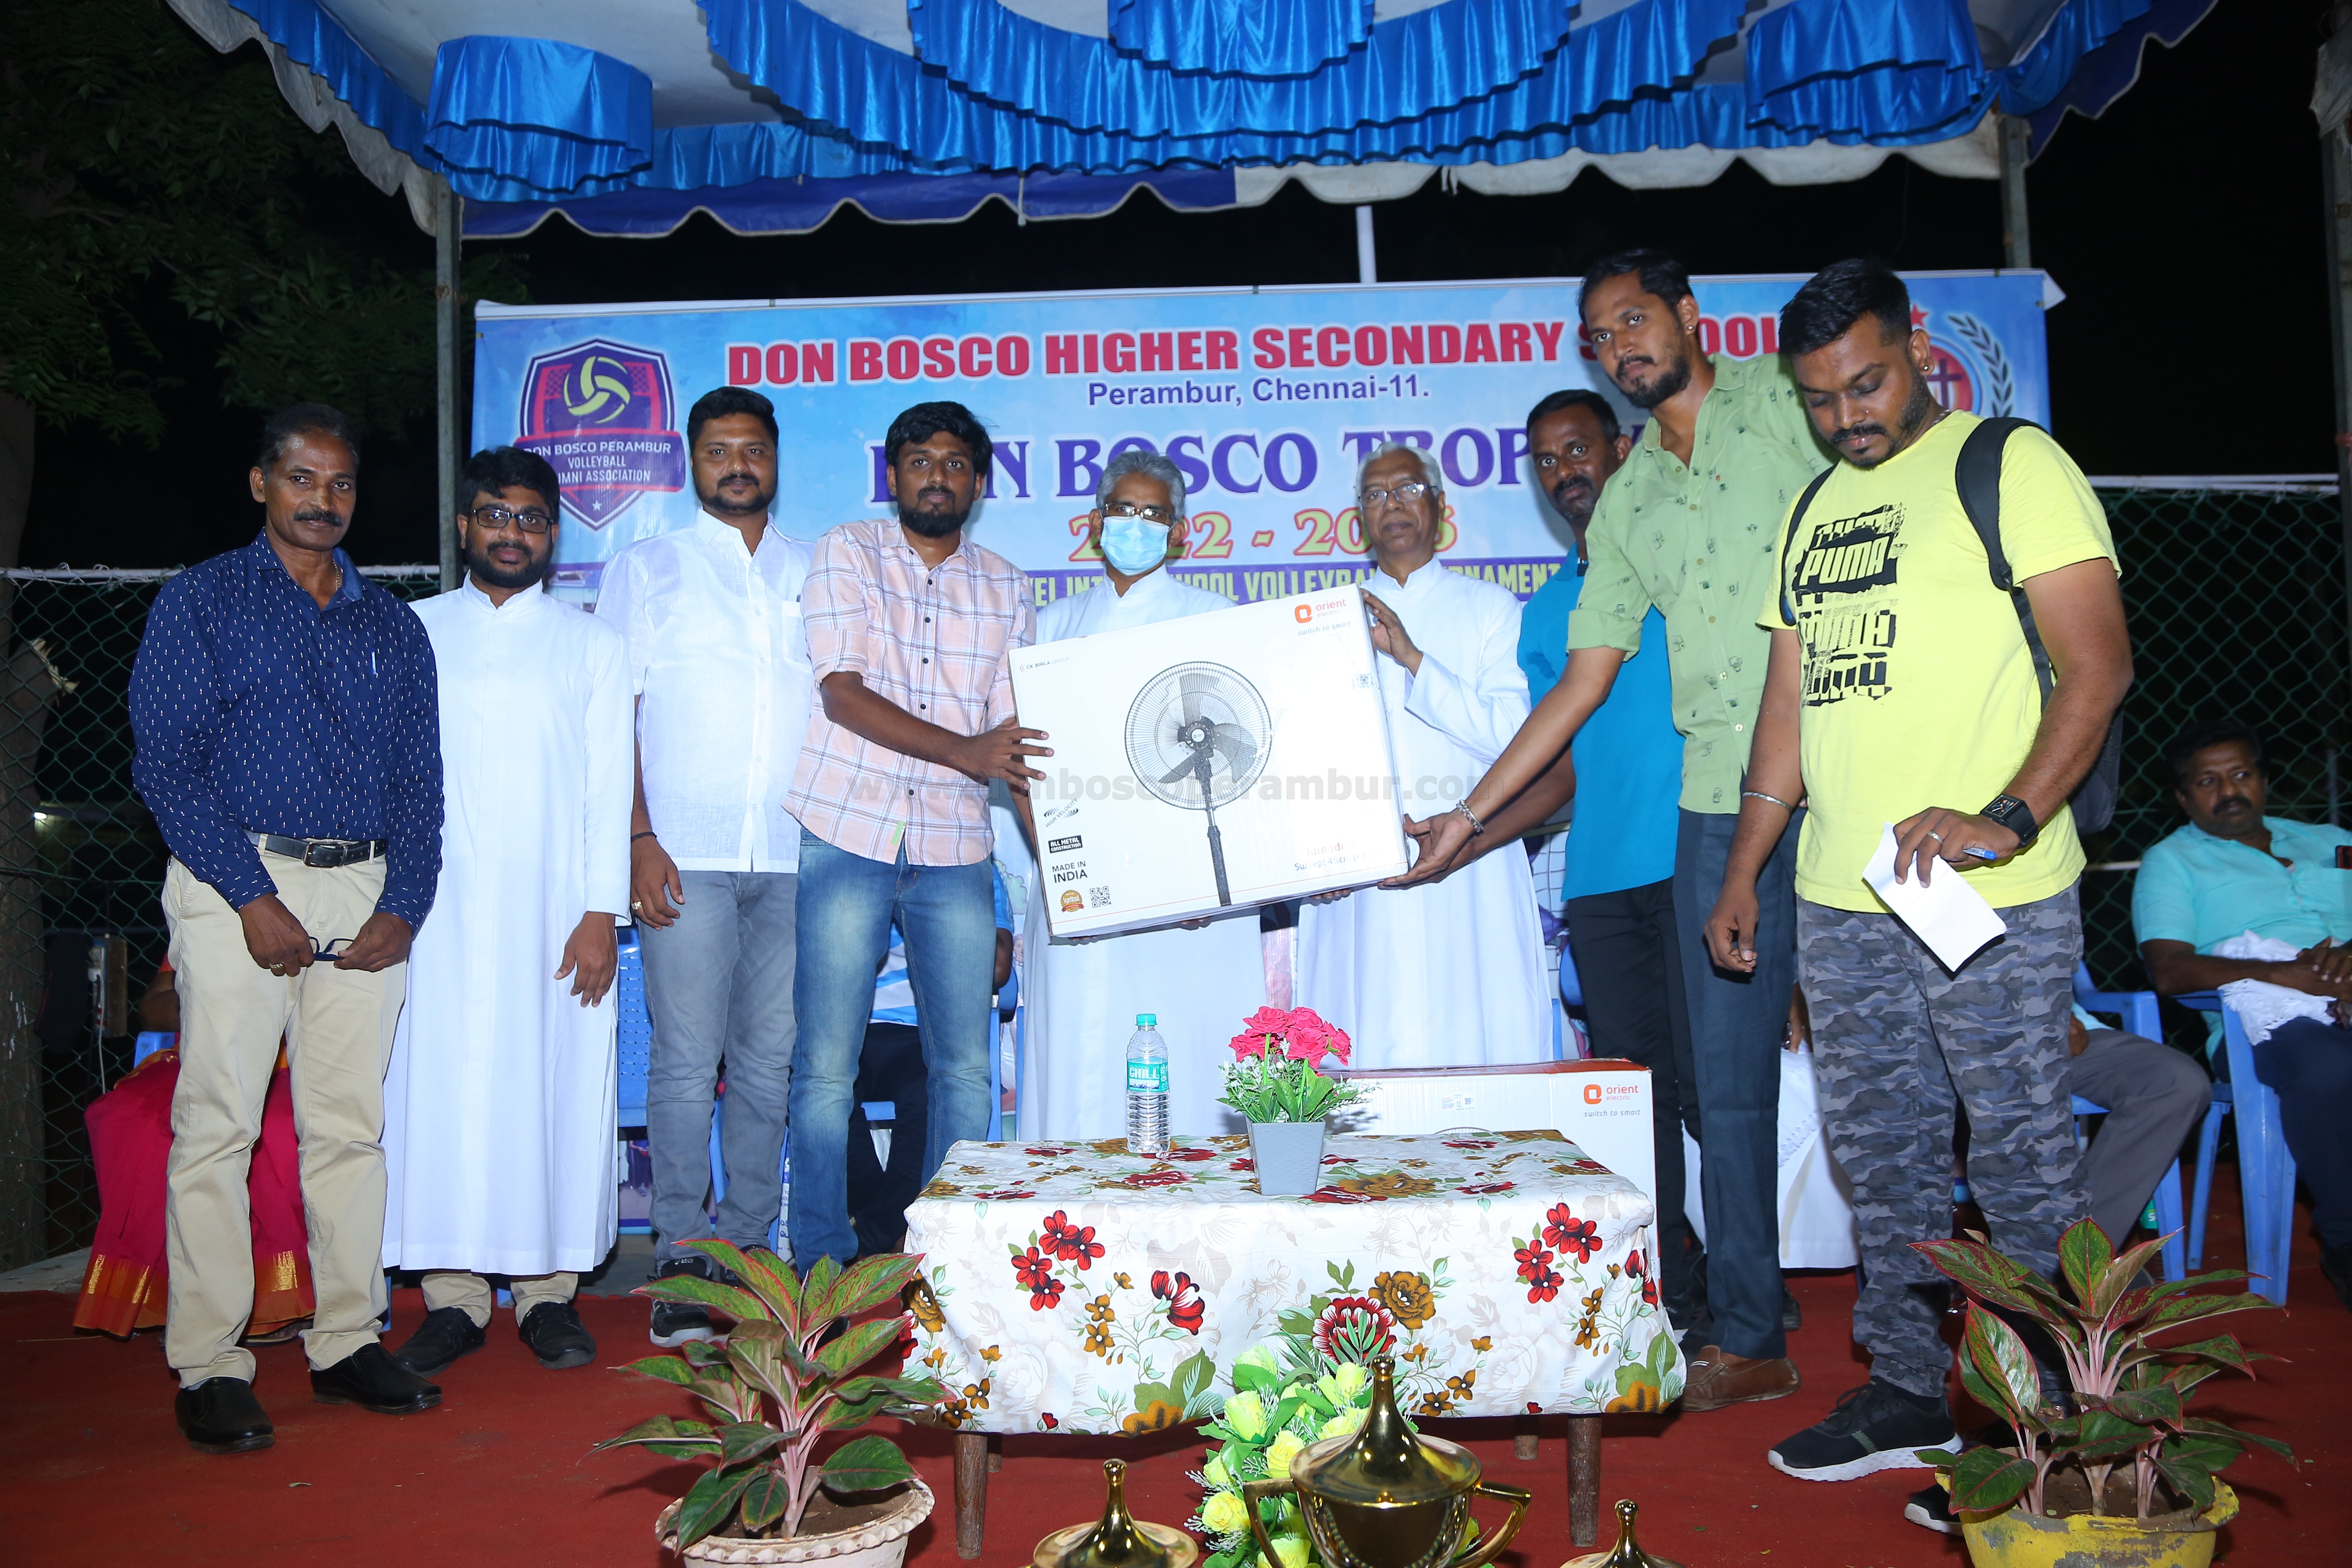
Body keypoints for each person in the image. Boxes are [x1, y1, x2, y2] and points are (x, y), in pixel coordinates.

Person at [1697, 258, 2132, 1482]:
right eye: (1819, 398)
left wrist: (2008, 814)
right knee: (1881, 1156)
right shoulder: (1811, 509)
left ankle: (2053, 1414)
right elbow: (1786, 709)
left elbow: (2097, 664)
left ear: (1920, 347)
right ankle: (1904, 1390)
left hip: (1985, 892)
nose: (1846, 416)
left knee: (2018, 1151)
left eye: (1867, 384)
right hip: (1844, 900)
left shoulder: (2010, 465)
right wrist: (1745, 869)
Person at [1399, 251, 1827, 1409]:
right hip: (1714, 816)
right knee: (1703, 1089)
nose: (1620, 344)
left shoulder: (1783, 400)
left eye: (1633, 320)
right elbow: (1577, 697)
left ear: (1688, 316)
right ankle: (1732, 1320)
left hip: (1843, 778)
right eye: (1599, 334)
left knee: (1847, 1079)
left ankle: (1841, 1320)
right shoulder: (1626, 522)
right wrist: (1468, 820)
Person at [129, 402, 444, 1453]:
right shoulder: (202, 600)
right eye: (302, 478)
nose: (323, 499)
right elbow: (166, 765)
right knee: (216, 1125)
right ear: (261, 484)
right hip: (237, 880)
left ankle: (346, 1340)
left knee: (348, 1129)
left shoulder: (391, 624)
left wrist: (404, 904)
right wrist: (248, 894)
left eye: (341, 482)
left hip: (365, 889)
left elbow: (422, 781)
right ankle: (210, 1363)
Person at [381, 446, 632, 1376]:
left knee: (552, 1085)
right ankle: (451, 1297)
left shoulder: (592, 644)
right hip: (432, 908)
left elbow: (609, 785)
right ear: (464, 526)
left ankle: (546, 1294)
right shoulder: (412, 631)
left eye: (529, 517)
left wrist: (601, 910)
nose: (511, 532)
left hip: (555, 911)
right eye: (494, 514)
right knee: (437, 1090)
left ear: (552, 533)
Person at [786, 400, 1043, 1270]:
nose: (939, 476)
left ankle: (944, 1260)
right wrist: (966, 751)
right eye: (922, 461)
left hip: (954, 846)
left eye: (956, 463)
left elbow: (1013, 742)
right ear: (893, 474)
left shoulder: (1007, 585)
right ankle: (821, 1266)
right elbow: (842, 693)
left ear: (979, 482)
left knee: (966, 1069)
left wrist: (1068, 866)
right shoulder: (848, 551)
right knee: (826, 1069)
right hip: (847, 829)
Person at [596, 387, 814, 1345]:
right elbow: (612, 717)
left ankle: (749, 1249)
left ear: (774, 460)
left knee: (768, 1061)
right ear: (693, 462)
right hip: (683, 854)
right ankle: (682, 1255)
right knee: (687, 1061)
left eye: (752, 449)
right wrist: (637, 838)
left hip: (795, 854)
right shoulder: (647, 569)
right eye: (719, 450)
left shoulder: (814, 571)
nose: (737, 465)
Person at [1024, 452, 1266, 1137]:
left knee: (1189, 1051)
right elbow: (1025, 760)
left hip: (1188, 896)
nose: (1136, 524)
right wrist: (1059, 861)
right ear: (1095, 523)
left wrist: (1193, 882)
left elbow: (1244, 763)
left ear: (1180, 531)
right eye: (1123, 510)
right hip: (1079, 880)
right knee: (1077, 1073)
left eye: (1154, 513)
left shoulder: (1216, 619)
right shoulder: (1050, 627)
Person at [1291, 443, 1547, 1067]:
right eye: (1376, 494)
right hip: (1358, 878)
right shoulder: (1323, 620)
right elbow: (1301, 757)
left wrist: (1411, 658)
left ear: (1439, 505)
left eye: (1407, 488)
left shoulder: (1491, 609)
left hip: (1471, 861)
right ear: (1360, 517)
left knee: (1476, 1036)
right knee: (1365, 1035)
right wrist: (1313, 859)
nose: (1393, 504)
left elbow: (1514, 740)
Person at [2131, 719, 2352, 1312]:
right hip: (2258, 1022)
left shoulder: (2332, 839)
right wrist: (2289, 975)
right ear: (2183, 798)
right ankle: (2346, 1241)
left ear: (2263, 780)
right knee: (2329, 1070)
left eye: (2240, 774)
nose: (2229, 790)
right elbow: (2169, 970)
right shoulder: (2172, 861)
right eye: (2208, 781)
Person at [75, 961, 313, 1343]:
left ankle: (275, 1299)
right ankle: (178, 1297)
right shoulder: (205, 922)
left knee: (271, 1126)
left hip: (290, 1061)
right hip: (205, 1054)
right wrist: (215, 997)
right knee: (129, 1116)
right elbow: (153, 1008)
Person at [848, 866, 1016, 1256]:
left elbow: (997, 968)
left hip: (920, 1027)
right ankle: (883, 1228)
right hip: (850, 1024)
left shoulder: (977, 868)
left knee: (934, 1091)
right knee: (820, 1089)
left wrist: (928, 920)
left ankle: (874, 1237)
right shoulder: (851, 861)